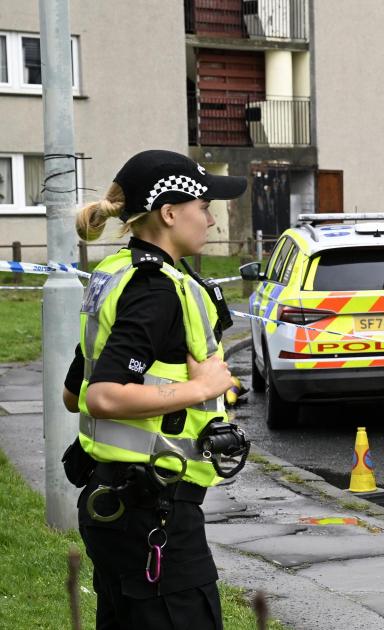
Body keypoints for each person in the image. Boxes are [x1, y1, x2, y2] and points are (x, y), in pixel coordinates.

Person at [61, 149, 249, 629]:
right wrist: (200, 387)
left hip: (120, 504)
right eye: (203, 207)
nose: (210, 219)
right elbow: (103, 396)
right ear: (169, 213)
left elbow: (73, 393)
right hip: (151, 514)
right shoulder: (155, 289)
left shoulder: (120, 273)